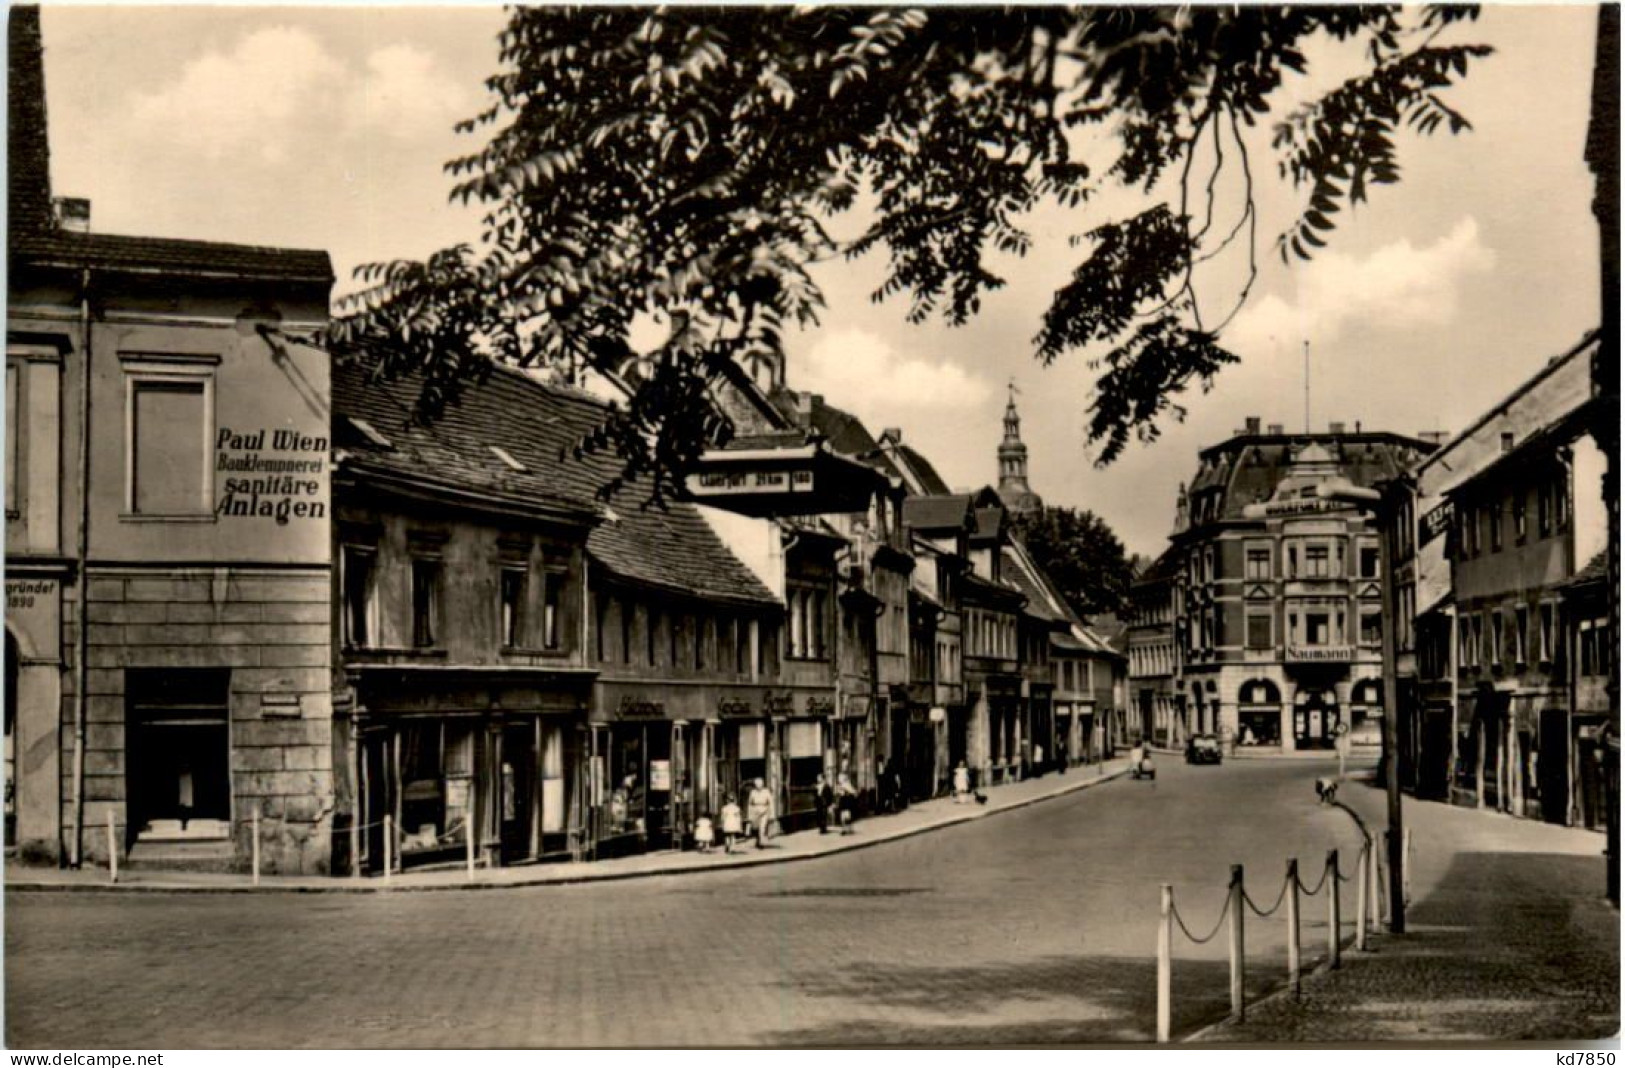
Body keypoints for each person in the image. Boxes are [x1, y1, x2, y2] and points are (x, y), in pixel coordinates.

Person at [746, 778, 774, 848]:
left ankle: (761, 842)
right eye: (757, 784)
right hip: (755, 811)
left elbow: (771, 803)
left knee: (762, 826)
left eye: (760, 784)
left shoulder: (766, 791)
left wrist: (772, 814)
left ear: (762, 784)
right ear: (755, 785)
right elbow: (750, 803)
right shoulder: (753, 792)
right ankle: (758, 840)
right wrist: (749, 814)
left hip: (764, 810)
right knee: (756, 828)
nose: (758, 786)